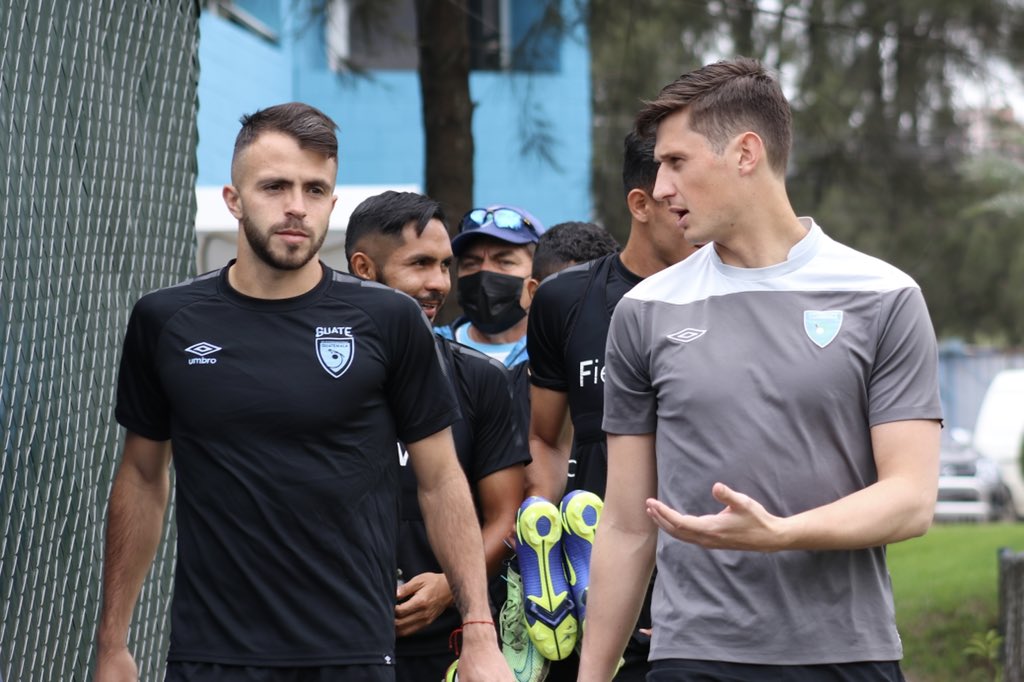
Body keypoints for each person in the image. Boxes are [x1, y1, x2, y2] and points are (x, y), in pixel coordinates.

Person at [94, 102, 511, 682]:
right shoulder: (166, 320)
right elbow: (141, 476)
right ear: (233, 199)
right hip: (212, 654)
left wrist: (480, 633)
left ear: (332, 204)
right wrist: (112, 643)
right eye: (274, 186)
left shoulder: (388, 319)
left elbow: (441, 480)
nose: (296, 205)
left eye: (315, 189)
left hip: (354, 653)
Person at [578, 58, 942, 682]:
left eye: (677, 162)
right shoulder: (644, 311)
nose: (661, 188)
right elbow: (625, 522)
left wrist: (780, 532)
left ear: (745, 152)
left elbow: (910, 500)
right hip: (691, 656)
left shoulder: (884, 295)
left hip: (847, 656)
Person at [521, 132, 698, 682]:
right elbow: (546, 438)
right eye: (679, 203)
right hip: (593, 579)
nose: (696, 215)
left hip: (701, 582)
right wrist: (544, 562)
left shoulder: (732, 295)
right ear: (640, 204)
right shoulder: (564, 300)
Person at [344, 190, 530, 682]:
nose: (438, 284)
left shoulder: (481, 380)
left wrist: (452, 585)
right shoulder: (315, 377)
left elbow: (505, 514)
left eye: (445, 266)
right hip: (332, 639)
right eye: (420, 264)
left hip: (446, 647)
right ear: (364, 267)